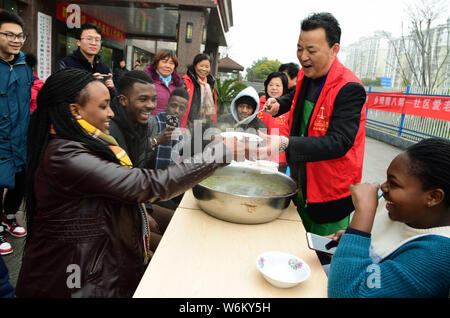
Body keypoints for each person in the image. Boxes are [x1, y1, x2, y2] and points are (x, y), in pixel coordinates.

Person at [15, 67, 247, 298]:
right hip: (70, 283)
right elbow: (148, 184)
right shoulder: (65, 157)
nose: (111, 113)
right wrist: (218, 154)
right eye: (103, 106)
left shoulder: (87, 143)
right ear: (75, 110)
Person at [262, 12, 367, 238]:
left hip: (330, 192)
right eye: (300, 48)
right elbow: (295, 98)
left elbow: (339, 142)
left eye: (311, 50)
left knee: (321, 258)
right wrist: (278, 104)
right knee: (297, 245)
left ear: (334, 49)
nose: (303, 56)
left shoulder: (349, 88)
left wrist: (284, 143)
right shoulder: (306, 74)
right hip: (303, 179)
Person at [327, 138, 450, 298]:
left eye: (393, 183)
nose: (383, 187)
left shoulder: (437, 256)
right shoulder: (396, 209)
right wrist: (352, 244)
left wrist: (363, 213)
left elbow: (348, 294)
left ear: (433, 197)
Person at [108, 70, 174, 253]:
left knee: (177, 221)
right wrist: (142, 215)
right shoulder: (111, 130)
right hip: (116, 212)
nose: (151, 105)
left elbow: (141, 165)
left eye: (154, 99)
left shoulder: (144, 124)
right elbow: (121, 185)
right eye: (143, 99)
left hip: (138, 199)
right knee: (167, 249)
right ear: (123, 100)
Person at [0, 10, 31, 256]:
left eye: (20, 35)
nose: (16, 40)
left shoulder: (22, 65)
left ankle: (10, 217)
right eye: (9, 34)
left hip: (21, 136)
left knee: (19, 181)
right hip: (0, 137)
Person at [55, 23, 115, 95]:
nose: (93, 43)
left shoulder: (104, 68)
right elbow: (58, 93)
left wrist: (112, 89)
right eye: (89, 39)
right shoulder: (65, 64)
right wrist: (87, 83)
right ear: (78, 42)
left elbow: (113, 99)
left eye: (97, 40)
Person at [257, 72, 290, 172]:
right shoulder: (258, 104)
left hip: (280, 160)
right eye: (270, 85)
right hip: (259, 156)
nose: (273, 88)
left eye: (277, 85)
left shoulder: (289, 108)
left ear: (284, 88)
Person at [151, 87, 189, 170]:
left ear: (185, 112)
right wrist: (158, 139)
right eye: (173, 106)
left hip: (169, 177)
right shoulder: (153, 122)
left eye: (181, 108)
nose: (176, 111)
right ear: (167, 105)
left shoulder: (179, 131)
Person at [182, 53, 217, 130]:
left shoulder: (210, 84)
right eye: (201, 66)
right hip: (187, 126)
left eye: (207, 67)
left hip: (204, 126)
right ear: (195, 66)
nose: (204, 69)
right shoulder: (185, 82)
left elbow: (213, 107)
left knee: (199, 142)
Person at [144, 51, 183, 115]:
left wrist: (174, 124)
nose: (167, 66)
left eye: (171, 63)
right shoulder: (147, 81)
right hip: (151, 123)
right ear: (157, 63)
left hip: (170, 123)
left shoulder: (177, 85)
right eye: (164, 62)